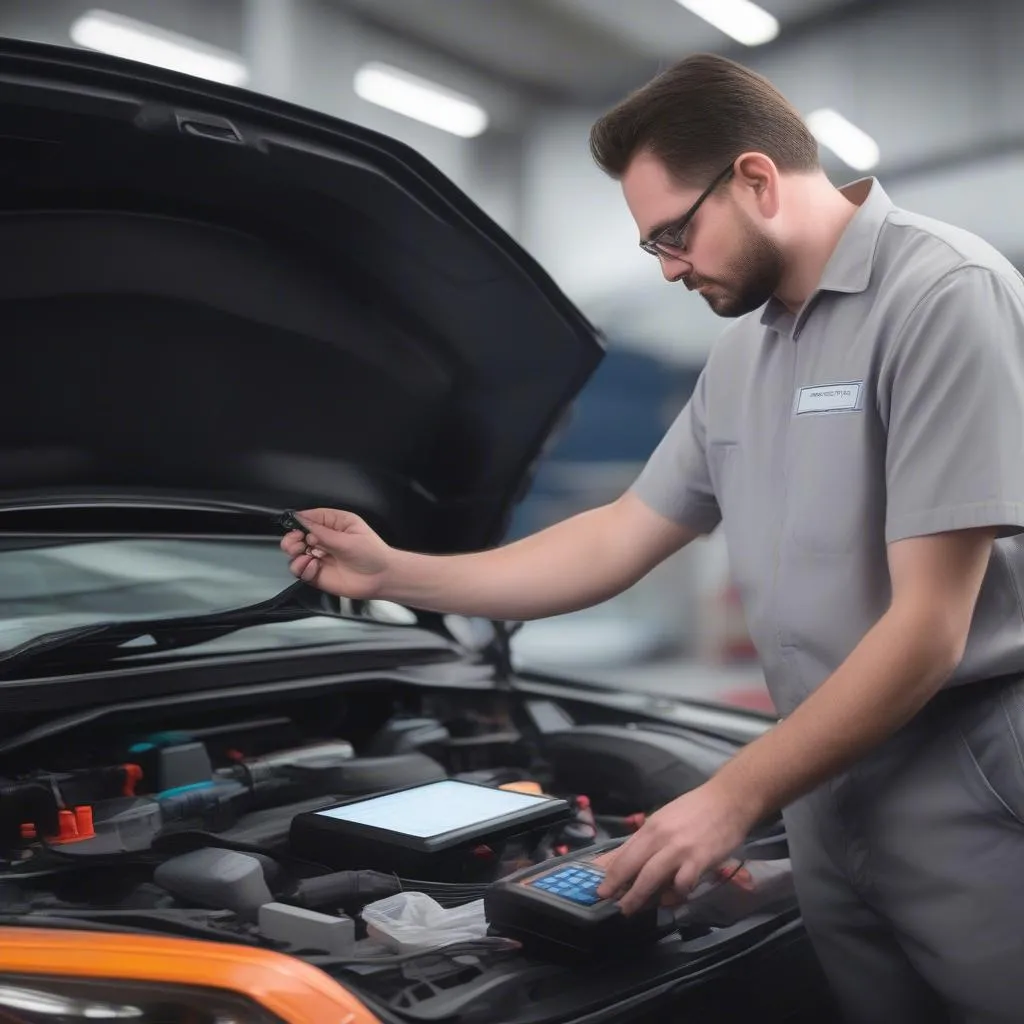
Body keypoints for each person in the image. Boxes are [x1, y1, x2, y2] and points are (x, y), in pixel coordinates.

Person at [281, 53, 1024, 1023]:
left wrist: (730, 796)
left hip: (959, 783)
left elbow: (927, 626)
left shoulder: (943, 294)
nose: (669, 265)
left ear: (756, 179)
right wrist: (397, 569)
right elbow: (619, 534)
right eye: (653, 247)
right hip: (820, 782)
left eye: (675, 233)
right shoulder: (742, 354)